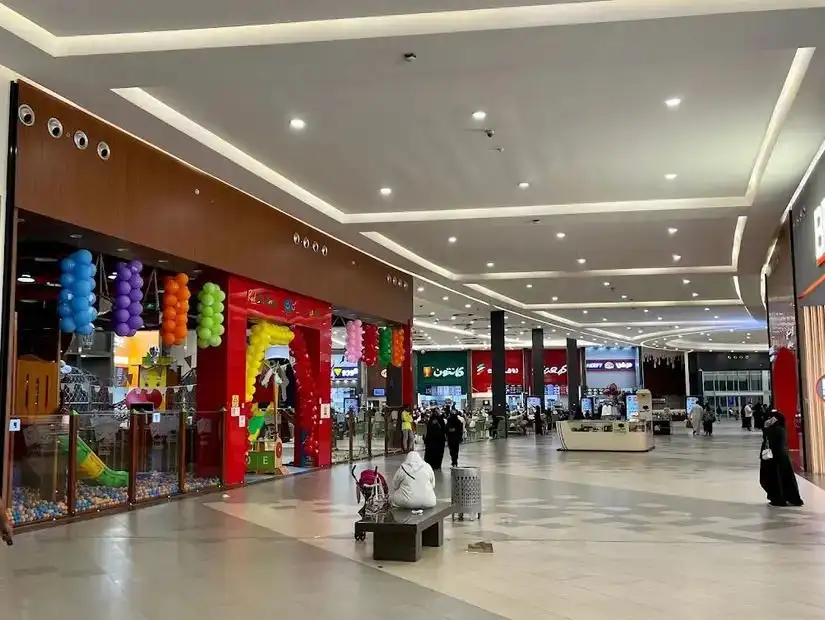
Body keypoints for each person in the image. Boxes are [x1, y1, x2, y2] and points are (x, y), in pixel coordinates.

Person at [760, 410, 804, 507]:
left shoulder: (774, 430)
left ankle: (778, 499)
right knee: (785, 478)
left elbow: (767, 439)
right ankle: (791, 498)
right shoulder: (782, 429)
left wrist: (766, 427)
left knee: (775, 479)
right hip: (782, 458)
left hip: (774, 459)